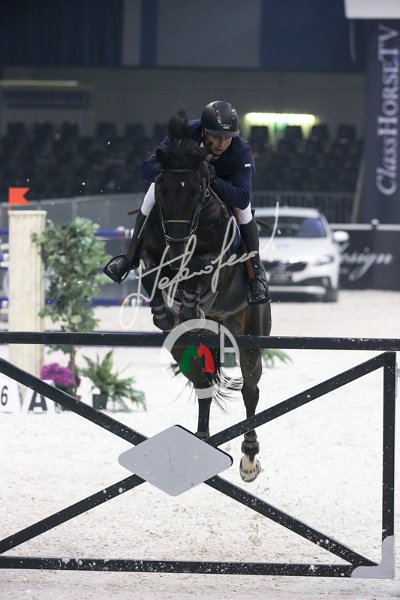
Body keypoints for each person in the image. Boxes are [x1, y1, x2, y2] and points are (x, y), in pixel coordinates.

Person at [104, 100, 269, 304]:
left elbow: (242, 198)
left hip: (225, 185)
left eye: (227, 138)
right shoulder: (185, 134)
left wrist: (213, 180)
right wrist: (179, 170)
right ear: (204, 131)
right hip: (187, 183)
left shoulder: (241, 149)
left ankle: (255, 275)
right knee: (151, 195)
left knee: (244, 212)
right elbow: (145, 171)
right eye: (216, 136)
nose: (221, 143)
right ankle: (130, 257)